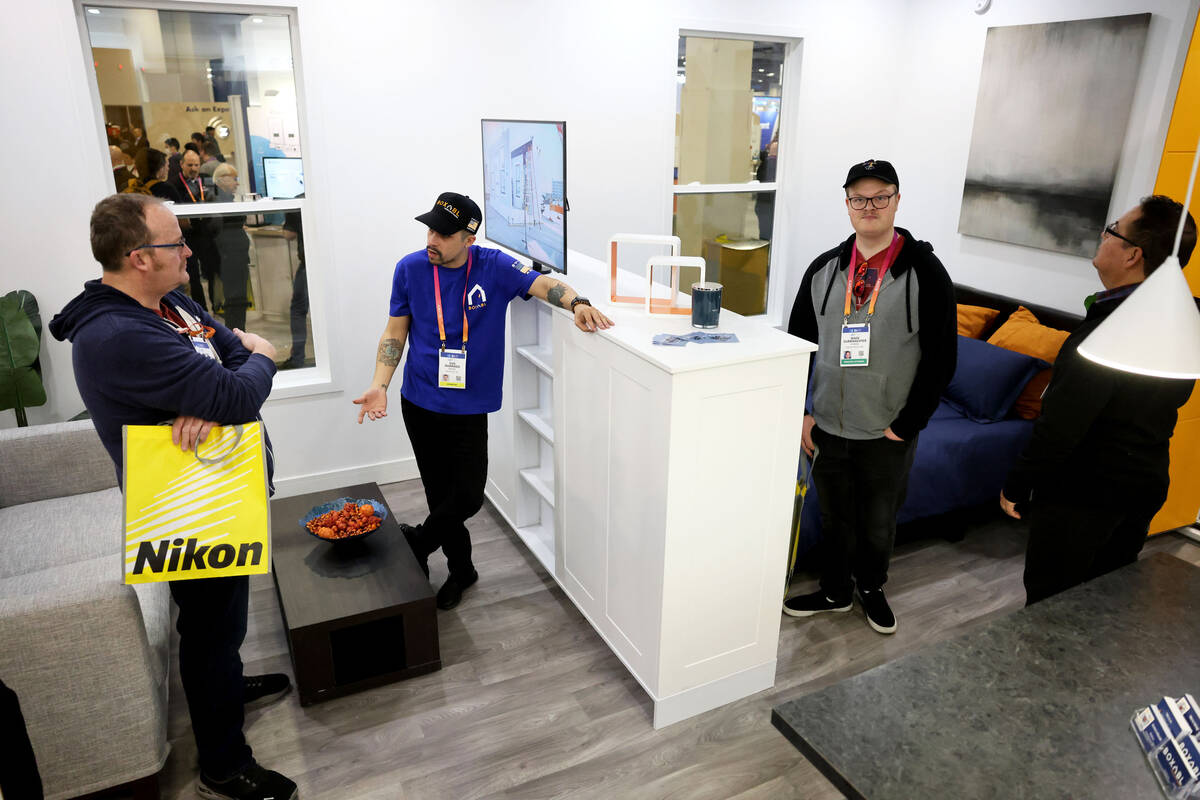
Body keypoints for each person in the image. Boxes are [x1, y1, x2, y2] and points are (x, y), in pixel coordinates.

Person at [48, 194, 296, 800]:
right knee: (212, 631)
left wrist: (220, 383)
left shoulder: (168, 303)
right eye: (174, 243)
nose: (188, 250)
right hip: (190, 506)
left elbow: (224, 352)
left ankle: (227, 685)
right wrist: (257, 360)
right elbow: (243, 380)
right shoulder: (117, 334)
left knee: (224, 622)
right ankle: (223, 765)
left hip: (218, 487)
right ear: (137, 257)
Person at [354, 191, 614, 610]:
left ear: (468, 238)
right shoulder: (410, 268)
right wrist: (380, 383)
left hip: (468, 407)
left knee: (469, 495)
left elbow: (543, 283)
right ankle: (462, 571)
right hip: (418, 399)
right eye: (430, 229)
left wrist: (579, 302)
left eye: (443, 232)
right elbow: (395, 331)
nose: (431, 239)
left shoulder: (495, 267)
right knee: (440, 495)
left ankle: (417, 542)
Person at [783, 159, 956, 634]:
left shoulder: (926, 273)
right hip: (829, 425)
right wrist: (802, 412)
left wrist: (907, 424)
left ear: (897, 200)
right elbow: (797, 346)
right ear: (847, 205)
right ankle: (836, 590)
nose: (869, 206)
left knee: (878, 521)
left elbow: (942, 361)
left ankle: (871, 588)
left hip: (887, 429)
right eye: (859, 198)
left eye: (881, 196)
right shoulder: (824, 268)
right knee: (836, 516)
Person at [1001, 195, 1198, 605]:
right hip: (1142, 485)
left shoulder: (1103, 338)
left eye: (1112, 230)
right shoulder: (1183, 324)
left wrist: (1017, 484)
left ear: (1133, 255)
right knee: (1105, 601)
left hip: (1084, 500)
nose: (1103, 236)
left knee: (1052, 605)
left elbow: (1059, 428)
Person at [172, 148, 221, 313]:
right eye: (189, 165)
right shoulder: (174, 184)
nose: (193, 168)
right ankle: (202, 310)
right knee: (192, 275)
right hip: (187, 236)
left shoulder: (206, 181)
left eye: (196, 165)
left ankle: (217, 306)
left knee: (212, 270)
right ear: (181, 164)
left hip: (207, 234)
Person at [213, 163, 251, 331]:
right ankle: (236, 334)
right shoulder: (218, 200)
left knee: (239, 300)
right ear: (222, 180)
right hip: (230, 258)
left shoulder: (226, 199)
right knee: (235, 300)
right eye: (234, 179)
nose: (237, 184)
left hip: (235, 256)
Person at [279, 209, 309, 369]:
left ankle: (297, 358)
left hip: (308, 265)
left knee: (298, 310)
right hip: (326, 261)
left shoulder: (296, 205)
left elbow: (288, 234)